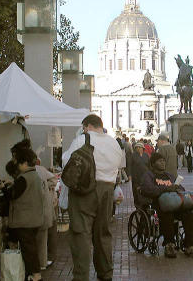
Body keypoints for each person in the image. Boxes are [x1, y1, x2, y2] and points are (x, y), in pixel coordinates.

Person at [62, 114, 122, 281]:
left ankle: (81, 276)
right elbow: (119, 165)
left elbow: (66, 161)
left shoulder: (82, 140)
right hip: (107, 191)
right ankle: (105, 274)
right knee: (102, 233)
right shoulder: (114, 143)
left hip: (85, 191)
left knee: (81, 233)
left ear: (87, 126)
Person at [141, 153, 193, 258]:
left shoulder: (169, 176)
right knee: (167, 214)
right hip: (158, 206)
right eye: (159, 161)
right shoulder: (149, 175)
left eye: (163, 160)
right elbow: (147, 189)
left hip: (174, 204)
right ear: (153, 164)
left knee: (187, 213)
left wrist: (177, 188)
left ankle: (191, 245)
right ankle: (169, 244)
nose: (163, 162)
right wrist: (165, 189)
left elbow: (182, 189)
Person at [0, 147, 44, 281]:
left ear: (24, 163)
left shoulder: (24, 178)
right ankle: (31, 274)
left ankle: (36, 276)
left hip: (24, 220)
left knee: (29, 250)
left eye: (18, 162)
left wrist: (3, 188)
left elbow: (13, 195)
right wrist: (12, 183)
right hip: (34, 219)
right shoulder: (35, 175)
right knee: (30, 248)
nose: (16, 164)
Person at [130, 142, 150, 207]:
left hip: (145, 177)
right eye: (137, 147)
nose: (138, 148)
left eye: (140, 147)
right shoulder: (133, 155)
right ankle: (137, 206)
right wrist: (129, 175)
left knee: (145, 192)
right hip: (136, 177)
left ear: (143, 148)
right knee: (136, 192)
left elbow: (149, 165)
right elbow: (130, 165)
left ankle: (144, 205)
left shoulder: (146, 155)